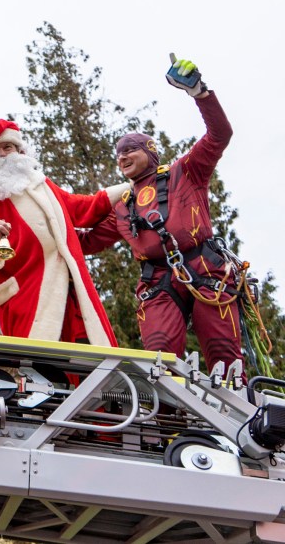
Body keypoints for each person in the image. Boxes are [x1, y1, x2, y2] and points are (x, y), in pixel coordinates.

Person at [80, 57, 243, 371]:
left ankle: (235, 409)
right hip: (157, 281)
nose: (123, 156)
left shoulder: (187, 172)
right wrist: (34, 230)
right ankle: (167, 418)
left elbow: (219, 134)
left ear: (150, 152)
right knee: (159, 360)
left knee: (225, 356)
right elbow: (87, 242)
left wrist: (199, 93)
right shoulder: (124, 206)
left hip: (205, 269)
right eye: (119, 153)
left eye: (131, 149)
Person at [0, 119, 121, 346]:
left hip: (69, 289)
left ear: (20, 150)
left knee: (86, 355)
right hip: (27, 295)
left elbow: (82, 208)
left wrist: (127, 191)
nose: (2, 154)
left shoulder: (43, 186)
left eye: (7, 147)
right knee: (38, 364)